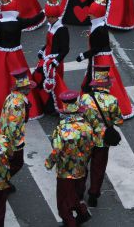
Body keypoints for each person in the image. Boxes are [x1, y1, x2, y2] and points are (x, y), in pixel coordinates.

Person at [0, 0, 45, 119]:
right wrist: (43, 12)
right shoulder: (19, 22)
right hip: (16, 54)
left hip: (1, 54)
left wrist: (0, 43)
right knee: (21, 78)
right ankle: (24, 105)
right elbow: (32, 21)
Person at [76, 0, 134, 119]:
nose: (89, 16)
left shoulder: (100, 29)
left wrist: (83, 55)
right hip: (100, 58)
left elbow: (96, 48)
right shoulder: (99, 25)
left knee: (102, 83)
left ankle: (101, 108)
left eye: (91, 14)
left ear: (96, 15)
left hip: (101, 60)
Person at [45, 90, 95, 227]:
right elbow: (91, 145)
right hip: (81, 168)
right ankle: (82, 213)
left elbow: (56, 150)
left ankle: (69, 222)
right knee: (73, 195)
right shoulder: (87, 127)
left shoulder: (61, 129)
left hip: (65, 171)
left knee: (62, 202)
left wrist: (49, 163)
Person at [79, 66, 123, 207]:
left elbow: (79, 117)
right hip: (103, 141)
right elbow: (119, 121)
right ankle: (93, 195)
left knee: (82, 166)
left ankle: (79, 192)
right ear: (107, 84)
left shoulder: (85, 98)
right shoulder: (112, 101)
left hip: (86, 139)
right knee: (98, 168)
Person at [31, 0, 70, 114]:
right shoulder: (52, 25)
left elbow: (65, 49)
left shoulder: (62, 30)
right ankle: (44, 104)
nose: (47, 19)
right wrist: (42, 49)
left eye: (48, 17)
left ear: (54, 17)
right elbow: (48, 43)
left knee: (52, 86)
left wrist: (55, 62)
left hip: (53, 62)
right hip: (46, 60)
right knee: (38, 78)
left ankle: (53, 107)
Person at [0, 68, 36, 190]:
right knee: (17, 163)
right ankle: (3, 182)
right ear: (24, 89)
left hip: (5, 136)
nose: (30, 90)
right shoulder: (18, 104)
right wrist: (13, 146)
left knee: (10, 163)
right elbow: (14, 127)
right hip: (13, 141)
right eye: (28, 88)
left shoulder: (12, 97)